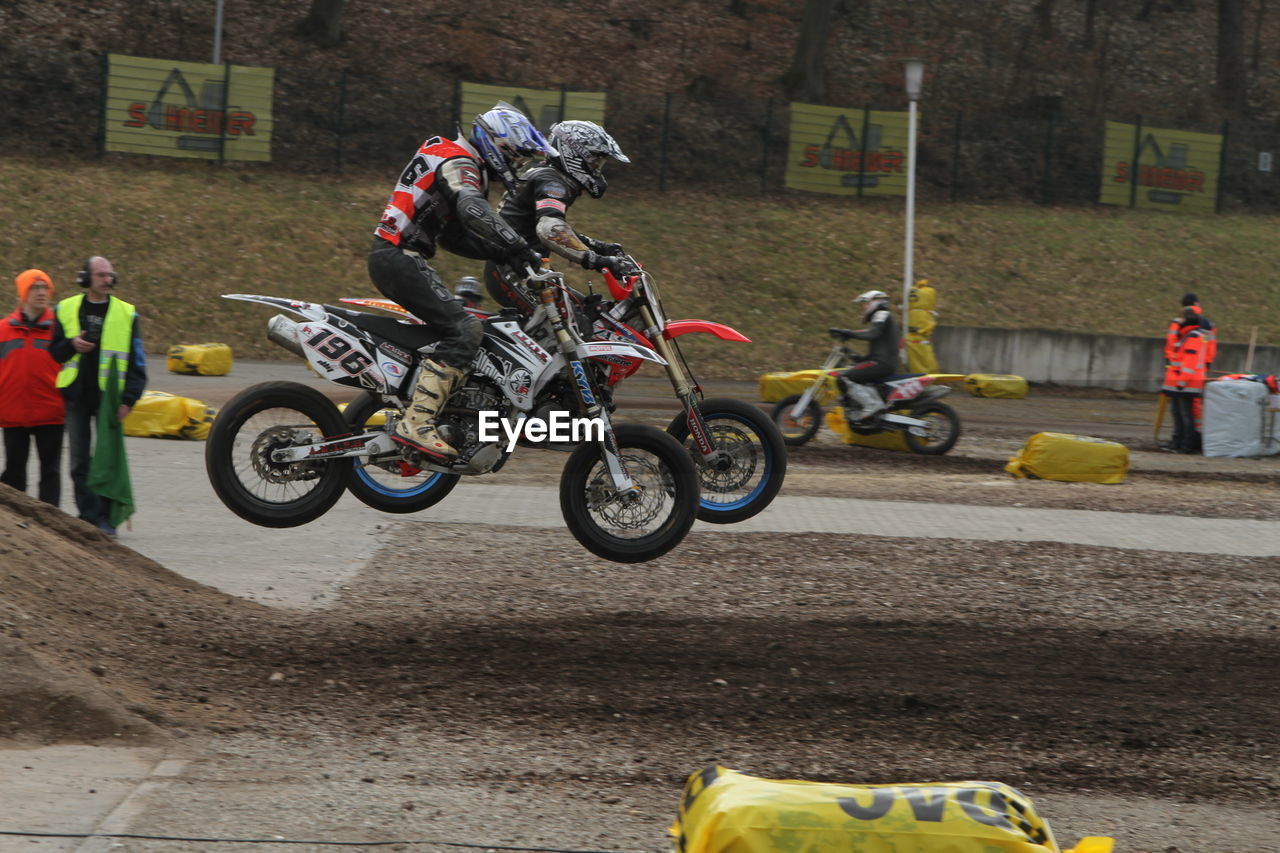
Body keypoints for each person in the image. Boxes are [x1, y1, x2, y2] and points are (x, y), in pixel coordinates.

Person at [369, 101, 555, 462]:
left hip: (397, 256)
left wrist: (507, 254)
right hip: (398, 257)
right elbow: (472, 207)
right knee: (466, 330)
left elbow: (453, 237)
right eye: (516, 157)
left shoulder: (452, 155)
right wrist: (515, 243)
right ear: (498, 145)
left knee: (464, 327)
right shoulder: (459, 161)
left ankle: (431, 406)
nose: (516, 166)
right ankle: (417, 422)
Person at [485, 119, 637, 313]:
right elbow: (550, 228)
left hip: (523, 270)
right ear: (575, 154)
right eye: (595, 161)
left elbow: (549, 225)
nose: (597, 169)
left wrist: (599, 247)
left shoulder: (549, 175)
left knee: (592, 313)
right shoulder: (552, 183)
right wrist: (598, 261)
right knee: (571, 328)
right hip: (512, 273)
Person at [50, 256, 146, 535]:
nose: (107, 280)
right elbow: (54, 352)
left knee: (108, 459)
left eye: (110, 275)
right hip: (77, 395)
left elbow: (137, 363)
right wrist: (72, 345)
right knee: (79, 461)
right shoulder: (66, 309)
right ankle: (87, 517)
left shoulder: (126, 314)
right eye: (101, 275)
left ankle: (107, 519)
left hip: (110, 400)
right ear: (86, 278)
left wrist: (129, 399)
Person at [0, 269, 65, 506]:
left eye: (44, 288)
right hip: (13, 414)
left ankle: (50, 526)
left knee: (51, 473)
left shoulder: (60, 328)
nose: (41, 293)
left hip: (51, 412)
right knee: (14, 473)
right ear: (22, 294)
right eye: (34, 288)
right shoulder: (3, 329)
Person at [828, 289, 901, 422]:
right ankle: (863, 407)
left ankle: (872, 404)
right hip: (881, 362)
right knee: (853, 373)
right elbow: (874, 353)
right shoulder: (881, 318)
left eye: (866, 303)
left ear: (876, 302)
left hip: (882, 363)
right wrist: (852, 354)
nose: (864, 307)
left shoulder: (882, 314)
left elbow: (872, 333)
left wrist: (848, 333)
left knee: (844, 378)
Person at [1161, 305, 1210, 454]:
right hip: (1180, 383)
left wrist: (1181, 382)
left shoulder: (1193, 337)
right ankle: (1178, 441)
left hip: (1186, 384)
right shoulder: (1187, 336)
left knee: (1184, 414)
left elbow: (1189, 363)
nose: (1178, 320)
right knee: (1178, 412)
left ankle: (1186, 444)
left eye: (1181, 318)